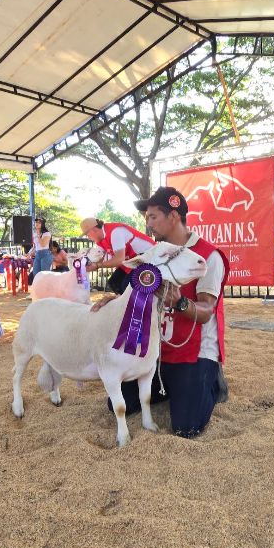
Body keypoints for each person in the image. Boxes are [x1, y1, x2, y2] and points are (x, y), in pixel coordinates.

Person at [97, 186, 229, 438]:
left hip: (194, 352)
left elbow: (206, 311)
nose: (148, 224)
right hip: (158, 351)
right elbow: (138, 296)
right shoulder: (155, 254)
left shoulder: (208, 256)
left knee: (186, 426)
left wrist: (180, 303)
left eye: (153, 217)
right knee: (115, 404)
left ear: (174, 216)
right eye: (146, 218)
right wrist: (115, 301)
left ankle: (211, 380)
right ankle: (172, 386)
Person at [80, 217, 155, 294]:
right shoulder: (101, 240)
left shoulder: (115, 232)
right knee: (114, 283)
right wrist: (86, 265)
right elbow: (98, 258)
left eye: (87, 234)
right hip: (132, 261)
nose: (88, 237)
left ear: (94, 229)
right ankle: (124, 303)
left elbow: (119, 260)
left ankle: (132, 304)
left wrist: (97, 266)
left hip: (148, 256)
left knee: (125, 285)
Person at [25, 217, 52, 284]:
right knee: (36, 274)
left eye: (39, 222)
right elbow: (35, 247)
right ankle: (38, 291)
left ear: (42, 224)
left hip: (45, 254)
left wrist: (38, 234)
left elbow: (43, 244)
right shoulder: (34, 234)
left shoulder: (47, 233)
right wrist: (29, 254)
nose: (37, 224)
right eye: (36, 222)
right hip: (37, 254)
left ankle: (46, 291)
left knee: (44, 275)